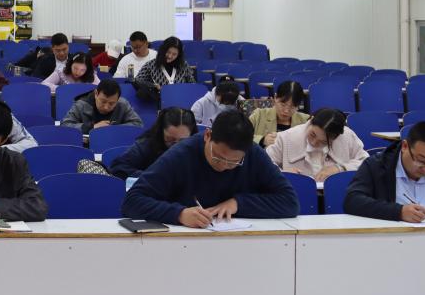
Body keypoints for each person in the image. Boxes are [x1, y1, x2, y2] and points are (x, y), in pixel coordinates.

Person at [121, 109, 299, 227]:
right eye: (218, 157)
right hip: (183, 242)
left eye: (234, 162)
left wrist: (238, 203)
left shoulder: (253, 154)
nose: (224, 166)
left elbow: (290, 202)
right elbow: (132, 201)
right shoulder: (181, 154)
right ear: (207, 136)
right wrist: (179, 214)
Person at [344, 121, 425, 222]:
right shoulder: (376, 165)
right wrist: (398, 212)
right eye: (421, 161)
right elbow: (352, 201)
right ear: (405, 146)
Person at [266, 108, 368, 181]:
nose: (314, 142)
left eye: (323, 142)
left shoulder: (347, 136)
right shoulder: (286, 137)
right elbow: (265, 165)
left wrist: (339, 168)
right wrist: (283, 173)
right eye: (312, 134)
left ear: (335, 138)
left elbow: (365, 162)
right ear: (311, 121)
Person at [107, 107, 198, 179]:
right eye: (170, 139)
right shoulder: (147, 144)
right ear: (161, 132)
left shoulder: (197, 147)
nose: (176, 146)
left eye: (182, 141)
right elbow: (118, 167)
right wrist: (152, 177)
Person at [60, 79, 142, 133]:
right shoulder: (81, 104)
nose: (106, 107)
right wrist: (92, 127)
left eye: (111, 103)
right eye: (103, 101)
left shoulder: (123, 104)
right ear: (96, 94)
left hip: (114, 142)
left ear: (118, 99)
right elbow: (65, 125)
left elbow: (138, 124)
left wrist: (114, 129)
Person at [249, 81, 309, 146]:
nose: (286, 111)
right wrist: (262, 140)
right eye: (283, 105)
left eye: (292, 107)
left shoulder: (306, 121)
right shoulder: (258, 115)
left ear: (298, 106)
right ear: (275, 97)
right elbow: (241, 136)